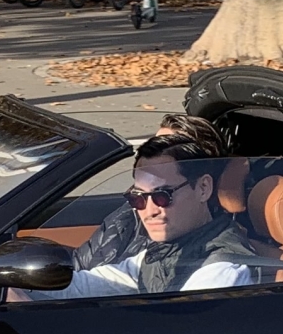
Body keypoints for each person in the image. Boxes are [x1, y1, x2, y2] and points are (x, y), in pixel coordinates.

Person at [58, 136, 257, 296]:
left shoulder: (222, 271)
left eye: (163, 196)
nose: (150, 210)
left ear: (203, 188)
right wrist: (29, 288)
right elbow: (84, 287)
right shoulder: (166, 251)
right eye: (138, 198)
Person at [75, 114, 227, 271]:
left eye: (174, 149)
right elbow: (81, 266)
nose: (150, 209)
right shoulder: (130, 211)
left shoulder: (216, 260)